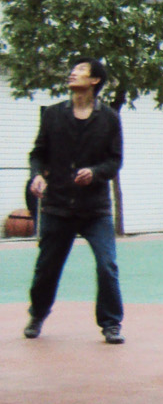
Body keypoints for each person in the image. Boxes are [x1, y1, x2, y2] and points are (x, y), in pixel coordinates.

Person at [24, 57, 125, 344]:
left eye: (80, 70)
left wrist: (95, 173)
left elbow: (114, 161)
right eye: (72, 69)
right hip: (57, 206)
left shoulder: (109, 118)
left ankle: (111, 323)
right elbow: (38, 153)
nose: (72, 73)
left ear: (95, 80)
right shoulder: (53, 114)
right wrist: (37, 175)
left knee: (107, 265)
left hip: (95, 209)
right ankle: (37, 314)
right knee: (47, 268)